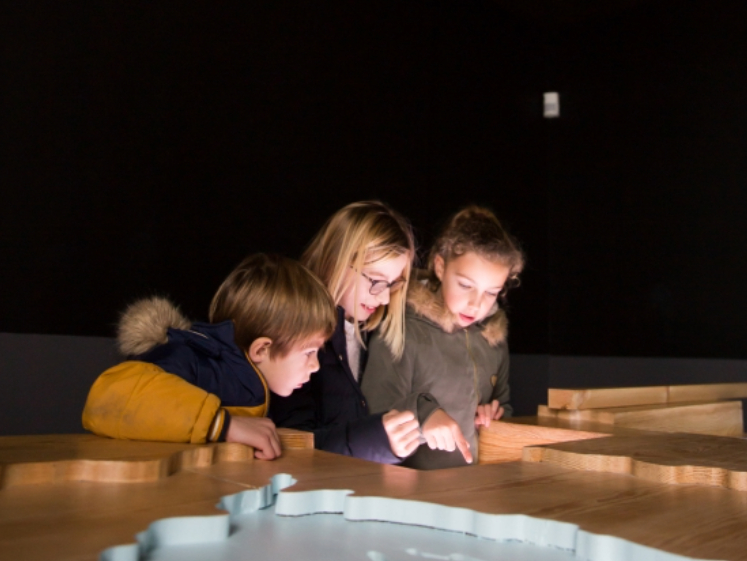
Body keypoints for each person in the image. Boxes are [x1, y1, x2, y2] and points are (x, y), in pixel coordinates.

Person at [82, 253, 336, 459]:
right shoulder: (195, 360)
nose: (315, 366)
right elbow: (108, 395)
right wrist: (224, 425)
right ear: (261, 349)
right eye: (309, 352)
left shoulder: (252, 384)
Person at [362, 205, 524, 469]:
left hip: (476, 490)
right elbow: (375, 412)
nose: (475, 304)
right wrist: (424, 418)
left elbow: (503, 404)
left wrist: (494, 416)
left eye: (491, 292)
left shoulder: (494, 339)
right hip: (412, 493)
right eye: (465, 285)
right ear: (440, 267)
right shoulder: (403, 328)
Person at [270, 201, 421, 463]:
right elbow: (293, 443)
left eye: (393, 284)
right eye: (375, 280)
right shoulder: (293, 328)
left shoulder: (372, 330)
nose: (385, 297)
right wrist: (377, 439)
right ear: (336, 260)